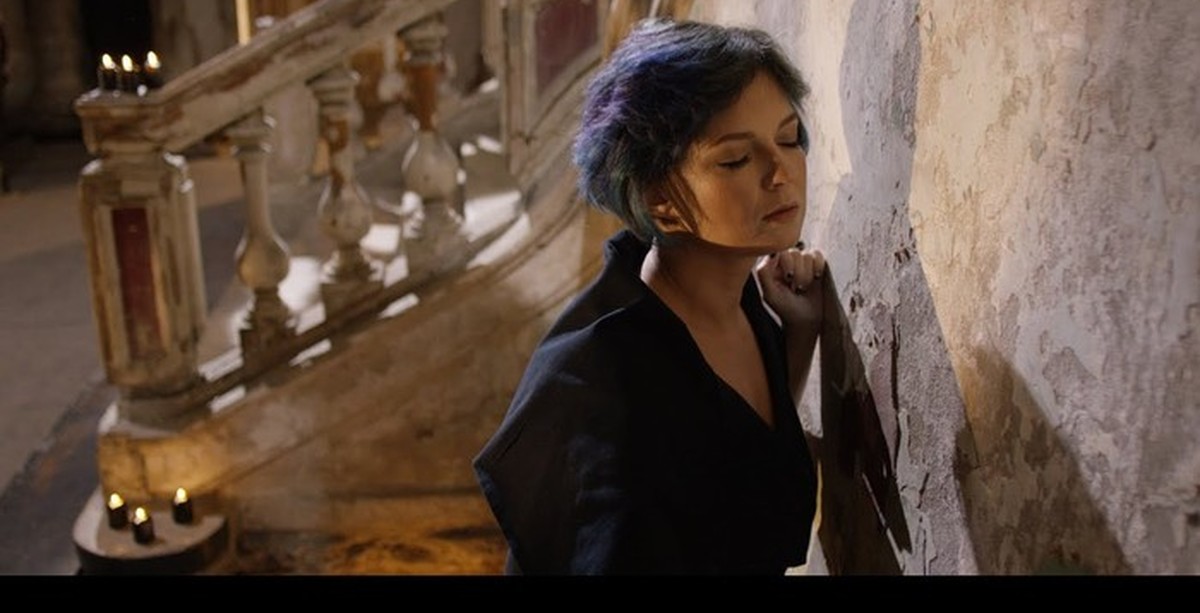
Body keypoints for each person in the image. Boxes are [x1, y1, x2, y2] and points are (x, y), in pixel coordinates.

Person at [473, 18, 828, 575]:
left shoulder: (741, 300)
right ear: (660, 202)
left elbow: (738, 455)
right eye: (736, 160)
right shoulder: (604, 388)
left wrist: (799, 335)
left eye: (788, 139)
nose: (780, 173)